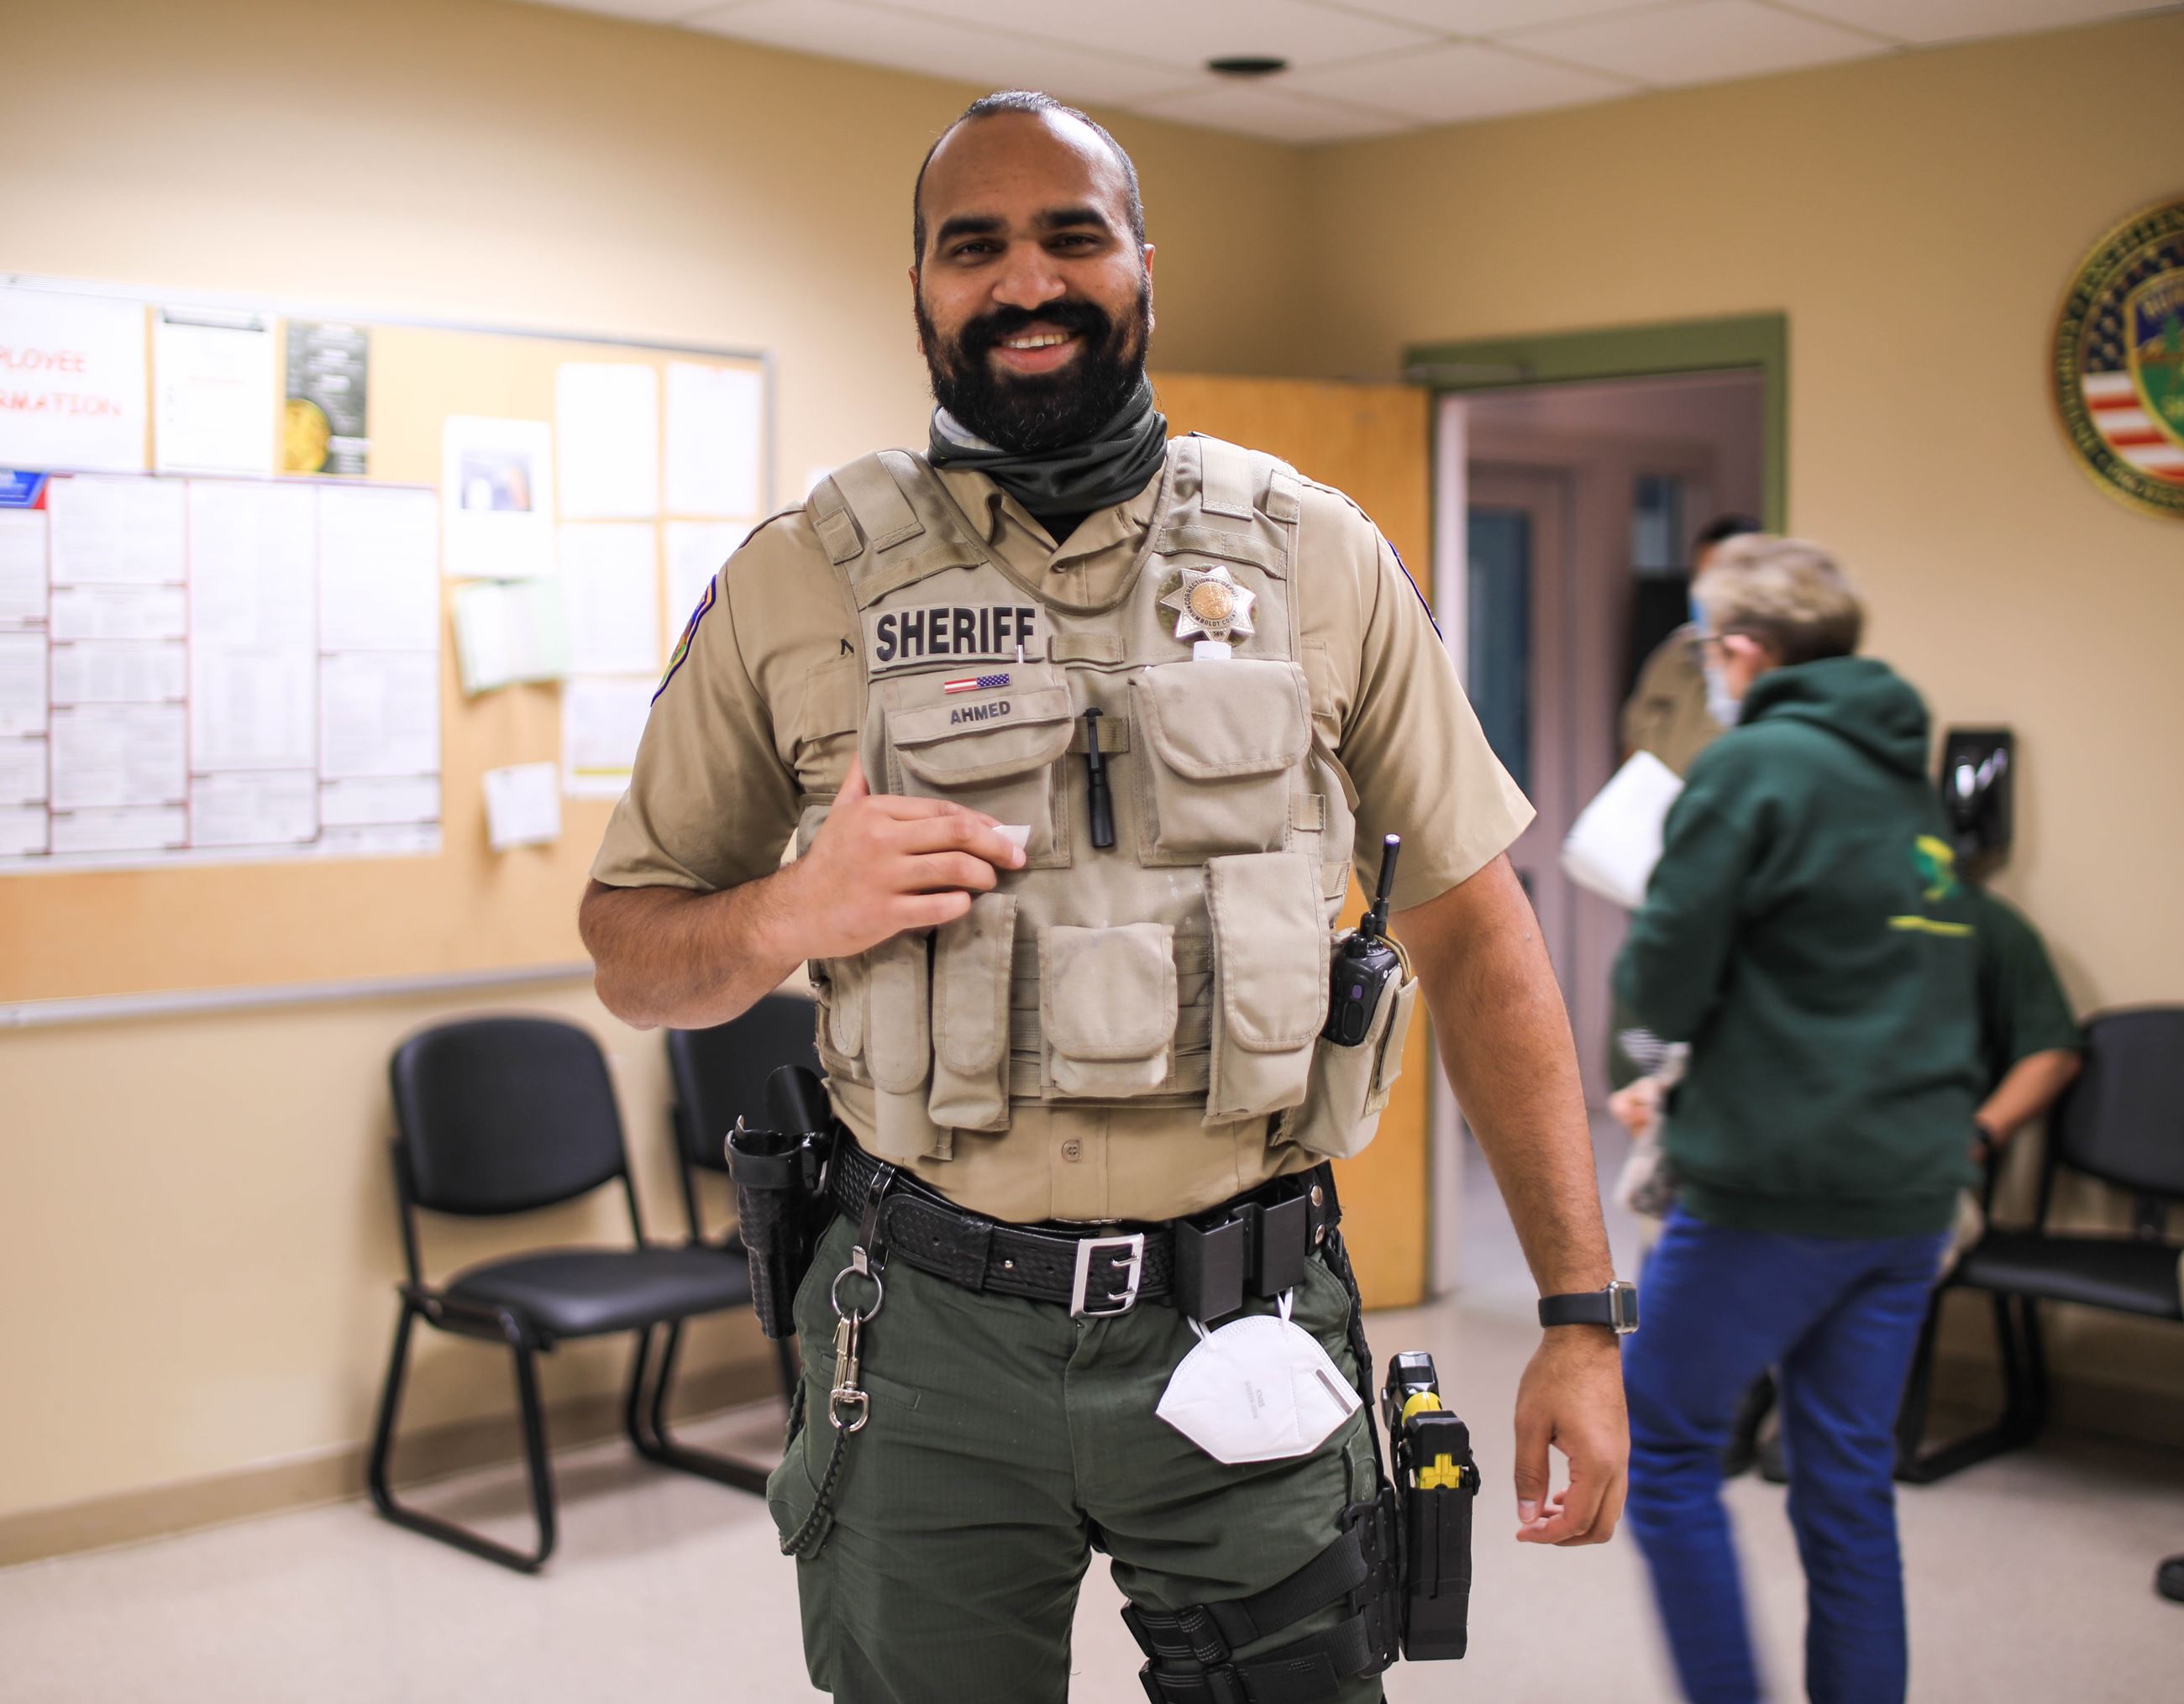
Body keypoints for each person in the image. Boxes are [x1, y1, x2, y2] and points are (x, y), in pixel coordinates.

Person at [579, 91, 1630, 1704]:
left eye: (1074, 233)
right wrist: (794, 910)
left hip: (1251, 1322)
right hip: (920, 1336)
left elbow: (1482, 936)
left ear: (1144, 262)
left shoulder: (1316, 557)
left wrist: (1575, 1310)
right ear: (920, 284)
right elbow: (635, 951)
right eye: (972, 244)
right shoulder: (799, 577)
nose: (1025, 280)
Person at [1612, 535, 1984, 1704]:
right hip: (1910, 1193)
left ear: (1745, 650)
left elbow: (1663, 984)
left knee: (1665, 1448)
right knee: (1847, 1483)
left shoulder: (1752, 761)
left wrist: (1655, 1024)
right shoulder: (1898, 770)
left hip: (1777, 1186)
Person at [1618, 512, 1762, 779]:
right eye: (1703, 578)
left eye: (1723, 580)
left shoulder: (1775, 663)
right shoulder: (1673, 658)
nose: (1709, 593)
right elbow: (1634, 750)